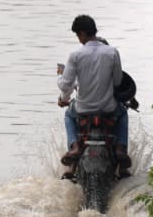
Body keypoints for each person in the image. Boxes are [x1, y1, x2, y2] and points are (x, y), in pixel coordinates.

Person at [56, 13, 131, 180]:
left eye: (77, 35)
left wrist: (59, 81)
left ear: (82, 33)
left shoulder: (75, 55)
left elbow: (66, 85)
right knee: (123, 113)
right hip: (108, 109)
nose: (78, 39)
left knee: (68, 115)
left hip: (83, 110)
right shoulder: (112, 52)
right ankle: (120, 148)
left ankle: (74, 146)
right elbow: (118, 81)